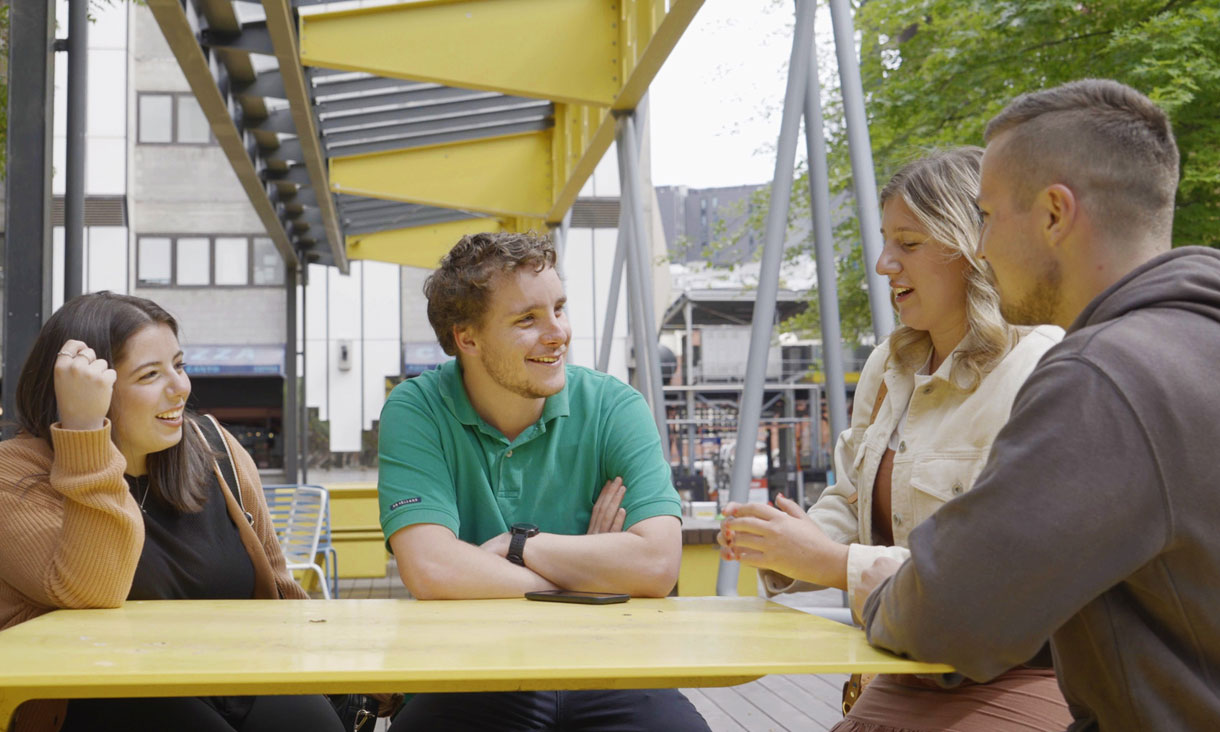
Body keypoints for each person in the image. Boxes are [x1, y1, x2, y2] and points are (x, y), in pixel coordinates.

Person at [844, 79, 1220, 729]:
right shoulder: (1193, 343)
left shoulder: (1102, 379)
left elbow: (951, 611)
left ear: (1053, 214)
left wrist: (878, 593)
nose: (981, 247)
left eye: (987, 215)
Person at [718, 147, 1070, 731]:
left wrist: (831, 563)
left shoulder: (1040, 366)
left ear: (970, 248)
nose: (883, 264)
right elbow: (855, 497)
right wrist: (783, 546)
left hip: (1017, 671)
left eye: (907, 243)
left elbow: (998, 575)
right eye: (886, 241)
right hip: (910, 664)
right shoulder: (891, 362)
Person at [377, 232, 709, 731]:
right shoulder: (417, 408)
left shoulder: (615, 407)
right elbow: (431, 569)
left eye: (559, 308)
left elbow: (657, 563)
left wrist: (517, 545)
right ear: (467, 338)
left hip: (611, 665)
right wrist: (589, 581)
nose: (558, 333)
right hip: (471, 670)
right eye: (527, 319)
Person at [0, 292, 344, 732]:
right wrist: (85, 434)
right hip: (101, 692)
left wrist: (338, 666)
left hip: (241, 676)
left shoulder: (213, 447)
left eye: (178, 366)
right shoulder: (17, 472)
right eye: (149, 375)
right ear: (84, 393)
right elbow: (91, 592)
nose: (181, 387)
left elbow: (276, 585)